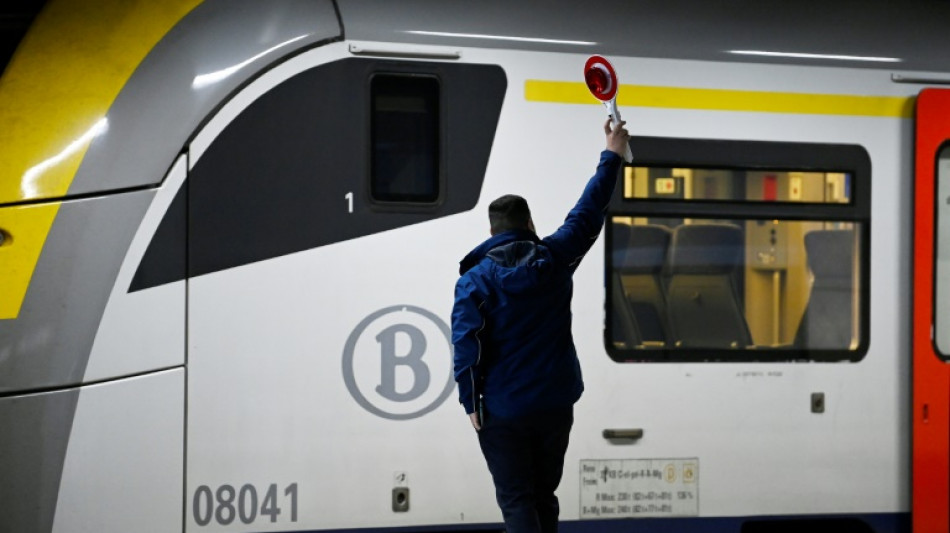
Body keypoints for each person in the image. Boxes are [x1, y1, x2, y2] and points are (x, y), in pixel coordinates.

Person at [451, 118, 630, 533]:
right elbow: (588, 213)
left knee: (517, 502)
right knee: (544, 497)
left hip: (502, 410)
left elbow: (466, 345)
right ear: (530, 225)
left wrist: (470, 401)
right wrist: (612, 153)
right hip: (553, 406)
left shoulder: (473, 281)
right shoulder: (555, 258)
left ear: (491, 232)